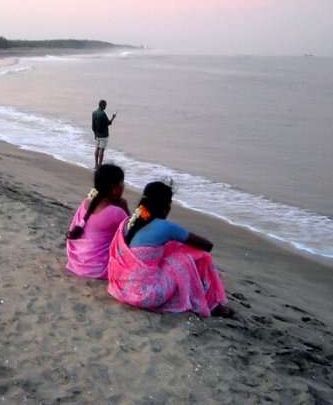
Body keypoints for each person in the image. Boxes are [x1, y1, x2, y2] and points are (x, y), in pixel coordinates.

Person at [107, 180, 233, 318]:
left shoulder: (128, 222)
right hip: (146, 295)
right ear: (165, 207)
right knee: (187, 259)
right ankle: (212, 304)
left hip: (121, 288)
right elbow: (207, 246)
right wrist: (178, 240)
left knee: (170, 249)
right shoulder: (165, 227)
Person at [66, 164, 131, 279]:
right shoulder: (116, 212)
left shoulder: (86, 202)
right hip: (97, 268)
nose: (123, 186)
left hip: (78, 262)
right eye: (122, 183)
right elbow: (131, 233)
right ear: (114, 188)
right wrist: (125, 208)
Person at [92, 100, 116, 169]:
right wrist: (113, 117)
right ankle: (99, 165)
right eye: (105, 105)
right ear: (102, 105)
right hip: (104, 135)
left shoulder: (94, 113)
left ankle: (96, 165)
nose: (106, 106)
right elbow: (109, 123)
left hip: (97, 134)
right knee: (102, 150)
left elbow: (93, 125)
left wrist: (95, 134)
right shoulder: (102, 114)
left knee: (97, 149)